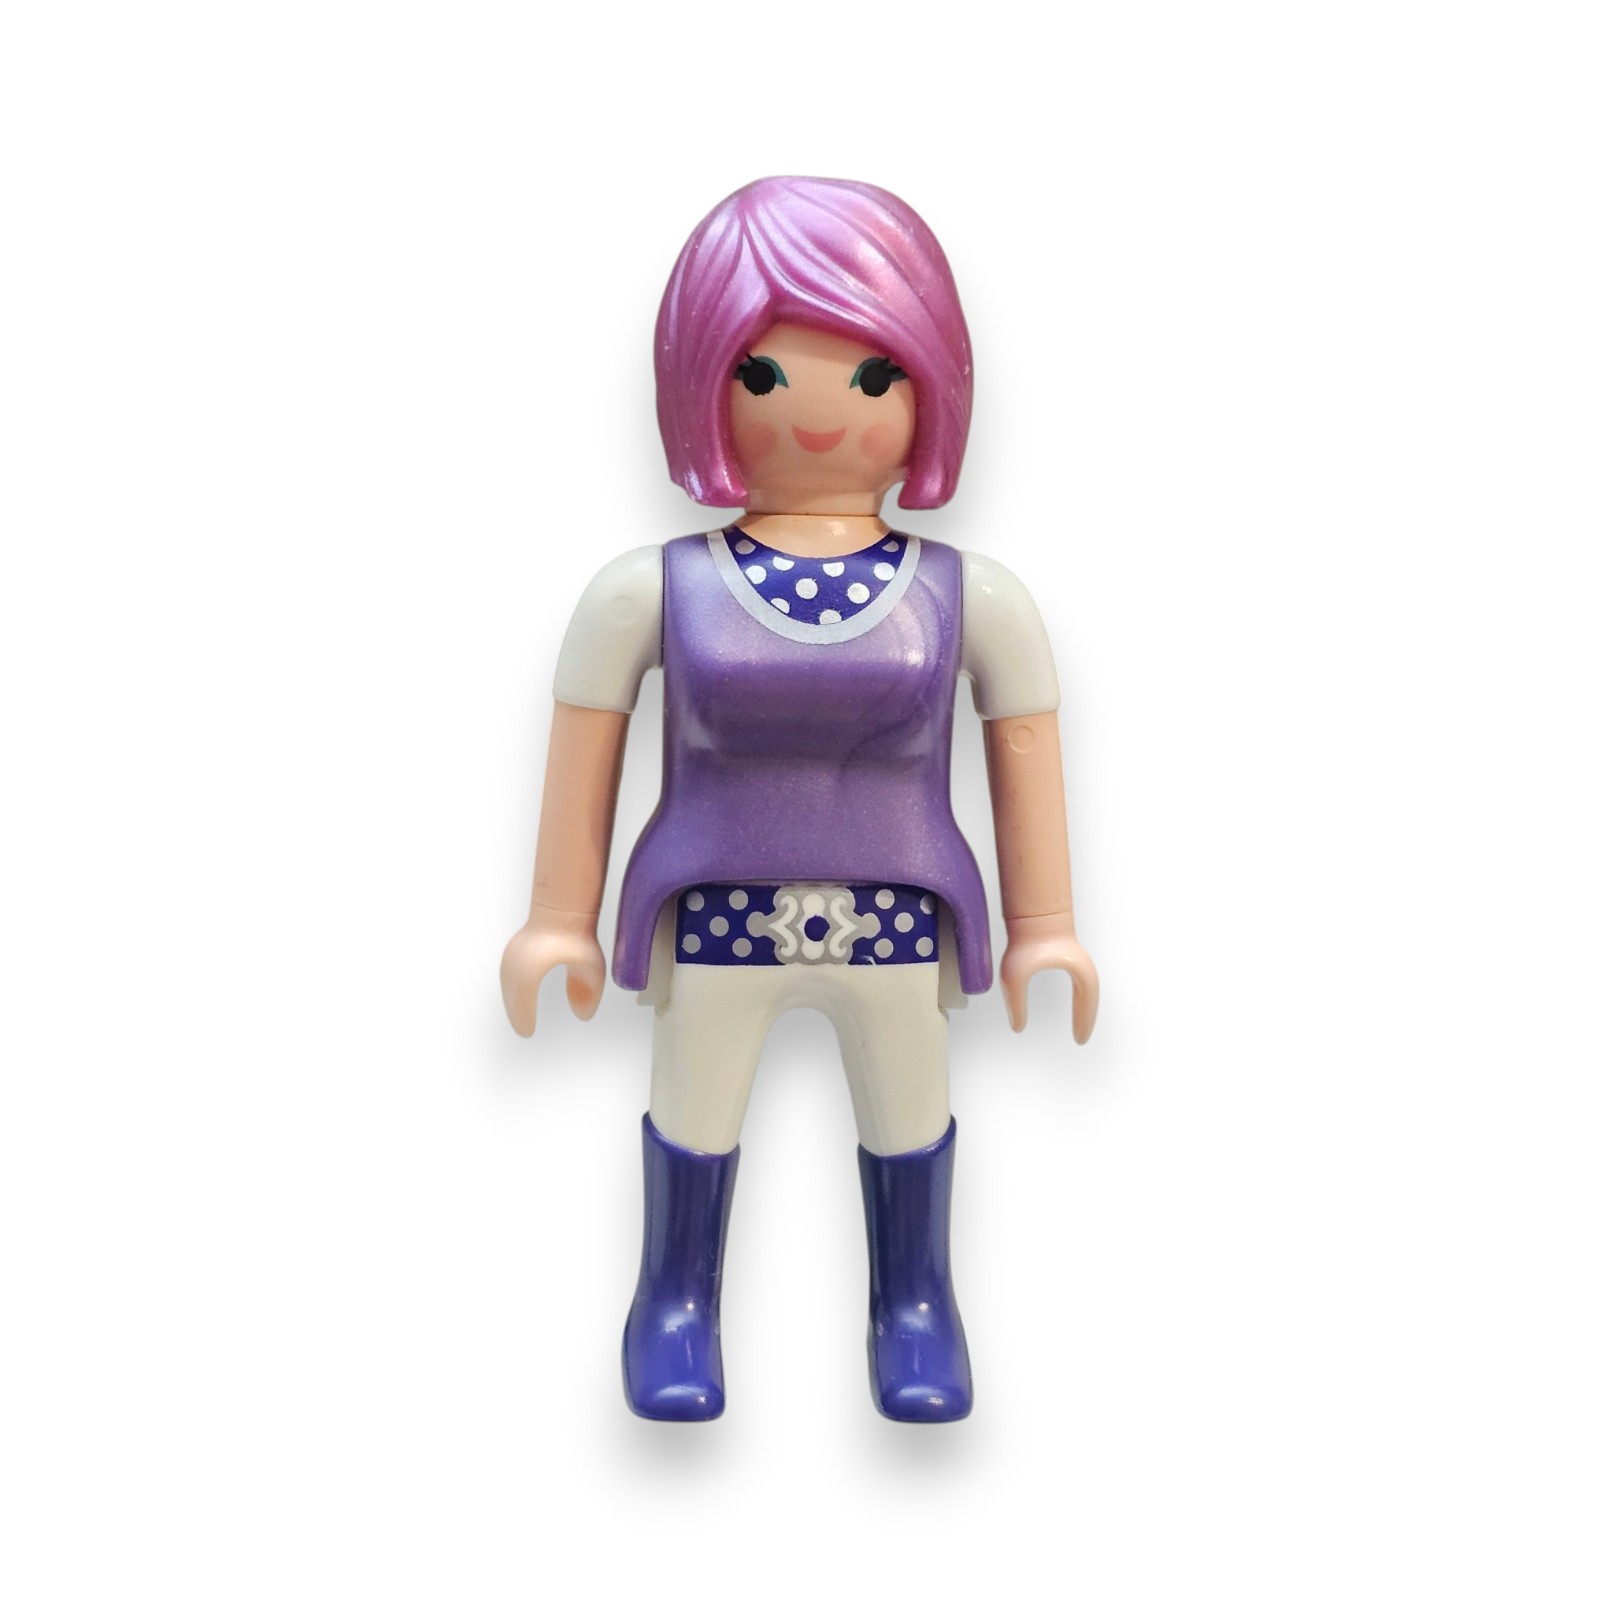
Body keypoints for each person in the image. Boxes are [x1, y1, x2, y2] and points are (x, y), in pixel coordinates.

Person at [500, 176, 1098, 1423]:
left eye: (873, 376)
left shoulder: (972, 596)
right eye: (763, 375)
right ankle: (674, 1303)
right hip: (716, 906)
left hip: (898, 910)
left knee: (909, 1113)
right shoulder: (648, 590)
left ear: (930, 389)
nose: (820, 413)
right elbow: (585, 748)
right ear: (700, 384)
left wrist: (1045, 926)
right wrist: (558, 916)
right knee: (695, 1110)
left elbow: (1024, 751)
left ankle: (915, 1307)